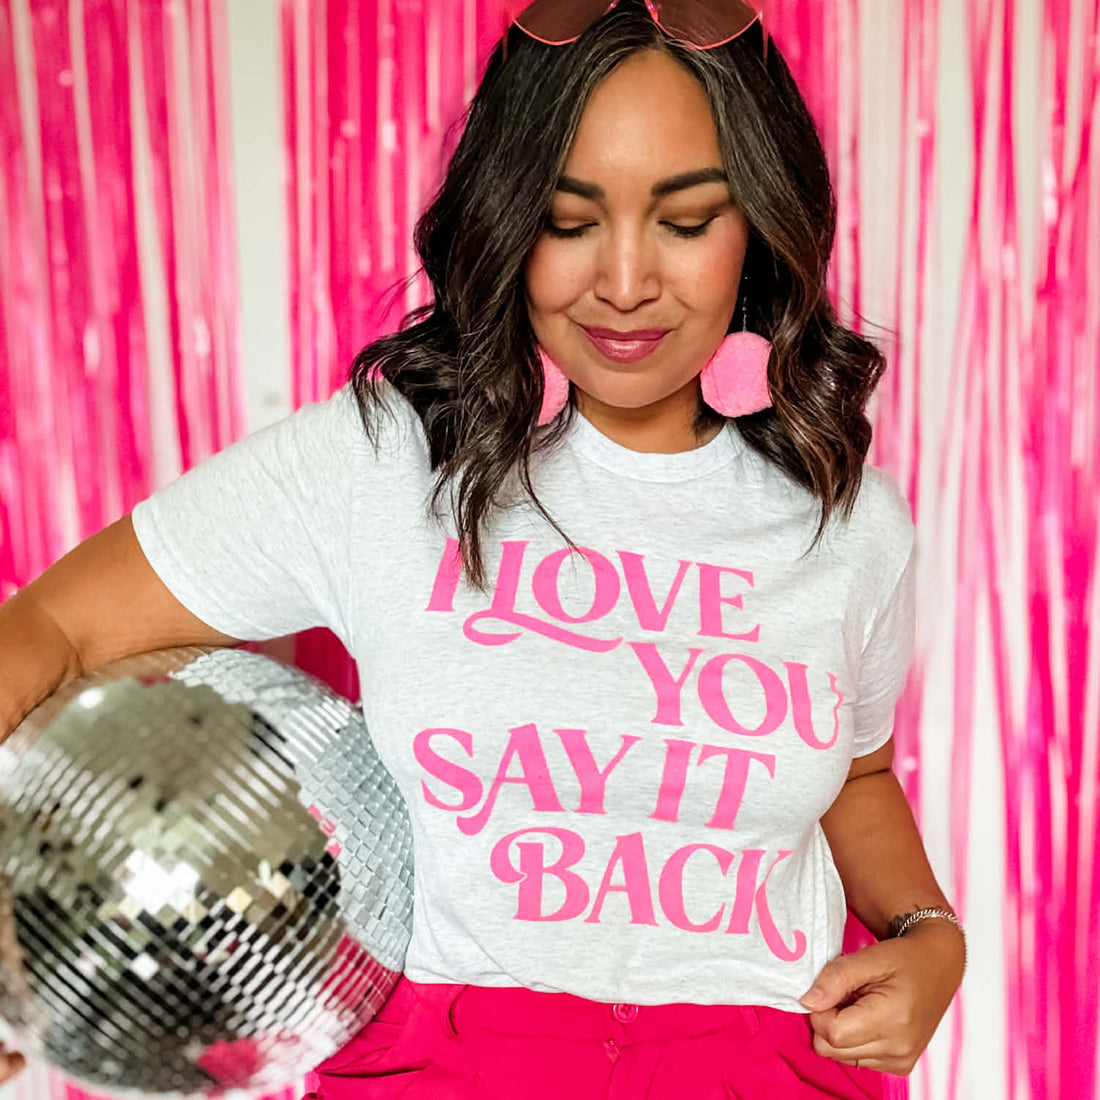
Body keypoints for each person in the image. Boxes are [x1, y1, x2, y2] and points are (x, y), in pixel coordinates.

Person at [0, 1, 965, 1095]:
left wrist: (928, 933)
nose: (624, 280)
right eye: (566, 219)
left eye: (686, 221)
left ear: (759, 226)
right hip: (446, 1065)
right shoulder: (382, 467)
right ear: (507, 223)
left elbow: (857, 769)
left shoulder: (847, 520)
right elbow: (54, 628)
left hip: (767, 1064)